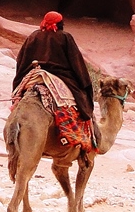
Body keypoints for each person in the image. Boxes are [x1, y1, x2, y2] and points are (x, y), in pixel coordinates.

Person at [13, 11, 96, 141]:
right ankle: (81, 139)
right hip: (61, 75)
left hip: (34, 72)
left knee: (19, 94)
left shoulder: (33, 36)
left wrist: (20, 79)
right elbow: (76, 62)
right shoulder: (65, 37)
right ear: (60, 23)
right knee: (81, 98)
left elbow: (21, 60)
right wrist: (84, 82)